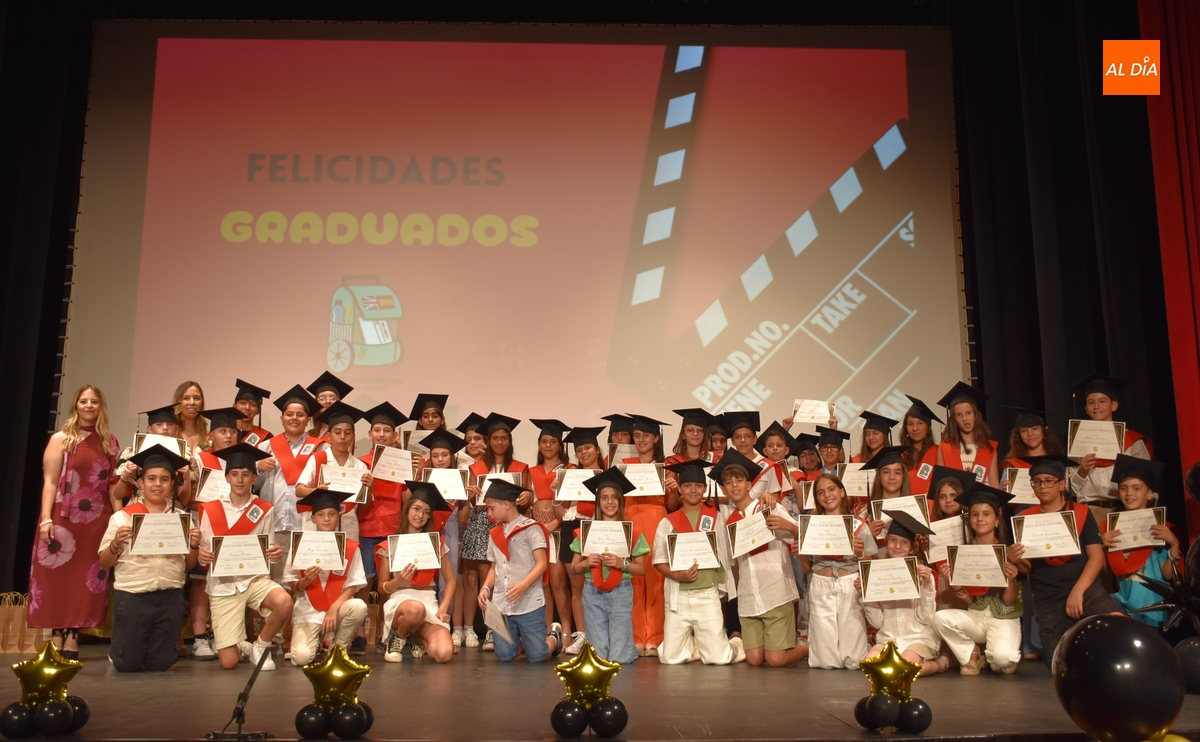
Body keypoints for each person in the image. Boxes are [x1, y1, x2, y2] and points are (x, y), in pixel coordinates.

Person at [30, 384, 120, 659]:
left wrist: (119, 517)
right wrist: (46, 519)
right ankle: (56, 631)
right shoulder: (61, 439)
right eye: (84, 401)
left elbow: (114, 485)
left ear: (100, 406)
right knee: (57, 577)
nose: (89, 405)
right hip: (63, 517)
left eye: (94, 401)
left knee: (86, 579)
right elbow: (49, 481)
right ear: (76, 405)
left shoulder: (109, 442)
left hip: (96, 521)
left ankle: (74, 634)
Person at [1008, 454, 1125, 665]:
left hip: (1085, 588)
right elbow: (1028, 568)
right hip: (1048, 596)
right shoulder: (1026, 519)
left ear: (1062, 484)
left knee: (1118, 625)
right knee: (1060, 661)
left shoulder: (1080, 512)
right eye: (1037, 481)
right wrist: (1016, 559)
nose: (1043, 486)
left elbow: (1096, 557)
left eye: (1049, 481)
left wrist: (1078, 591)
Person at [99, 445, 200, 672]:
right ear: (140, 483)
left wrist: (193, 544)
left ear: (172, 485)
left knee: (161, 664)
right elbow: (104, 562)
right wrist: (116, 543)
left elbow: (190, 564)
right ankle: (120, 653)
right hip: (133, 596)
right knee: (128, 665)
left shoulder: (181, 518)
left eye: (164, 479)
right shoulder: (123, 517)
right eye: (151, 478)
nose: (157, 484)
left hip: (170, 596)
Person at [198, 442, 292, 670]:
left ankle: (260, 644)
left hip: (253, 580)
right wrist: (203, 556)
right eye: (235, 474)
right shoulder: (210, 509)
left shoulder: (265, 509)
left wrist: (275, 554)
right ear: (227, 477)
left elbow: (268, 550)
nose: (240, 480)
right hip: (224, 584)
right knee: (228, 663)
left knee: (284, 602)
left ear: (253, 478)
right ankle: (242, 647)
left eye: (246, 474)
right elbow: (204, 551)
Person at [714, 450, 805, 667]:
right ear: (723, 489)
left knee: (775, 660)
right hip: (749, 595)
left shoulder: (768, 507)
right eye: (728, 482)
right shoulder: (728, 521)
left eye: (739, 480)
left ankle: (810, 647)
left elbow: (802, 536)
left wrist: (788, 525)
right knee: (754, 660)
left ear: (748, 484)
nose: (734, 485)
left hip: (775, 590)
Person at [654, 459, 743, 665]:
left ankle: (735, 642)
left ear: (704, 488)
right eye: (687, 485)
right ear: (680, 490)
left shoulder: (717, 517)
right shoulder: (667, 522)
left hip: (707, 594)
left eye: (698, 485)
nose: (693, 490)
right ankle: (696, 645)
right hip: (679, 595)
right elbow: (659, 560)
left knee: (719, 659)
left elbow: (743, 510)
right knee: (670, 659)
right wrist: (676, 575)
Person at [932, 482, 1022, 675]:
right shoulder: (964, 553)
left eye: (986, 514)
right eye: (975, 514)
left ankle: (997, 656)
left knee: (1002, 660)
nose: (980, 519)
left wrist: (1012, 579)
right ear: (970, 520)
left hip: (1003, 617)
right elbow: (970, 600)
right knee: (940, 618)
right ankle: (972, 655)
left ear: (997, 519)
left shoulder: (1008, 552)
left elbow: (1009, 600)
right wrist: (953, 583)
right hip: (977, 615)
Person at [569, 468, 651, 664]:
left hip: (621, 592)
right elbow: (574, 568)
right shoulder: (586, 531)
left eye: (614, 497)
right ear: (598, 502)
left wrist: (622, 564)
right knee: (599, 658)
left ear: (621, 501)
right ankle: (623, 647)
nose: (610, 502)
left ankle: (628, 649)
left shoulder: (632, 532)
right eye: (604, 498)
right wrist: (586, 563)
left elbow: (642, 569)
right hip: (592, 592)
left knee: (618, 659)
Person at [476, 480, 563, 662]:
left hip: (528, 602)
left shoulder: (531, 529)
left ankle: (554, 635)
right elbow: (494, 567)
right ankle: (523, 643)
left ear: (506, 504)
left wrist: (523, 586)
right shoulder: (494, 534)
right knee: (505, 656)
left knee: (538, 657)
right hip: (503, 603)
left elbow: (541, 564)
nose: (489, 513)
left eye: (491, 508)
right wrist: (485, 588)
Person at [467, 412, 531, 650]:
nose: (500, 442)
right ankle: (492, 629)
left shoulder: (520, 467)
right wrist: (471, 496)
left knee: (508, 577)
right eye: (495, 438)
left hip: (510, 526)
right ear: (488, 440)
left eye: (504, 438)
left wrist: (528, 496)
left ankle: (508, 626)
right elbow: (474, 503)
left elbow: (526, 501)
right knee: (490, 579)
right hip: (485, 523)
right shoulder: (477, 467)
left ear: (509, 441)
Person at [800, 472, 877, 669]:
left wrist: (860, 554)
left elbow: (870, 563)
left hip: (849, 584)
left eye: (832, 489)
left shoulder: (859, 526)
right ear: (816, 498)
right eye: (821, 492)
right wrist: (799, 555)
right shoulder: (811, 527)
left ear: (842, 492)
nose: (827, 495)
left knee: (854, 658)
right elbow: (807, 569)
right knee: (825, 660)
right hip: (821, 583)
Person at [284, 490, 368, 666]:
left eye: (331, 514)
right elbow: (293, 587)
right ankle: (317, 641)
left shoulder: (350, 547)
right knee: (301, 659)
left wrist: (334, 608)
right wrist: (305, 581)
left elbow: (353, 585)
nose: (327, 519)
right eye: (321, 515)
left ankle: (338, 647)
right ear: (313, 518)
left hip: (337, 608)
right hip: (309, 611)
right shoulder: (300, 545)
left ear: (339, 515)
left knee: (359, 606)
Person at [188, 406, 246, 660]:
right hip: (207, 525)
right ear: (211, 435)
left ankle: (224, 636)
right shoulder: (201, 459)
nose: (229, 435)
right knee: (202, 582)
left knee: (231, 582)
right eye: (223, 431)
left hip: (236, 529)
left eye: (233, 431)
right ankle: (200, 636)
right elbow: (189, 498)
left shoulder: (241, 461)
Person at [377, 482, 457, 663]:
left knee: (444, 653)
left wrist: (443, 609)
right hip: (401, 602)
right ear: (407, 509)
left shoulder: (436, 545)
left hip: (428, 601)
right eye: (416, 509)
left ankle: (416, 638)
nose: (420, 515)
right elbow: (382, 588)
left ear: (430, 516)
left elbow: (451, 581)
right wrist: (397, 581)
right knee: (415, 609)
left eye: (426, 512)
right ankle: (399, 636)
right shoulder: (389, 546)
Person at [861, 511, 946, 676]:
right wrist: (866, 595)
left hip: (918, 638)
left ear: (912, 548)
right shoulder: (879, 574)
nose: (897, 546)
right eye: (893, 540)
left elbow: (926, 618)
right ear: (886, 542)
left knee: (905, 668)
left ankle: (941, 664)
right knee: (869, 666)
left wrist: (927, 585)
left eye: (904, 542)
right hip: (889, 638)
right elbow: (878, 622)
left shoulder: (923, 574)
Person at [1100, 455, 1179, 628]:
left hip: (1154, 607)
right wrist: (1102, 548)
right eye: (1124, 488)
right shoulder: (1112, 527)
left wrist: (1174, 544)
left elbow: (1167, 574)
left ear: (1150, 494)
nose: (1129, 494)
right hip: (1123, 602)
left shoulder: (1159, 527)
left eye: (1137, 488)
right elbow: (1108, 571)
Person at [529, 418, 584, 653]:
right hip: (536, 530)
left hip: (559, 529)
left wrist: (554, 522)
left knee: (559, 582)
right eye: (544, 441)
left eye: (553, 441)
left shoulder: (570, 470)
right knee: (543, 584)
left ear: (560, 445)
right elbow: (527, 501)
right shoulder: (530, 471)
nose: (548, 446)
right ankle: (544, 631)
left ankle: (566, 631)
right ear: (539, 444)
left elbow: (570, 505)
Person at [621, 414, 674, 657]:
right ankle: (634, 635)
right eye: (638, 435)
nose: (641, 440)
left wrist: (672, 488)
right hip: (631, 520)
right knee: (632, 579)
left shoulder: (666, 467)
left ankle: (655, 636)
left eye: (646, 435)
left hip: (657, 521)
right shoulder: (624, 463)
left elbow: (672, 505)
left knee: (655, 579)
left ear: (656, 438)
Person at [1069, 374, 1153, 525]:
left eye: (1102, 401)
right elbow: (1070, 490)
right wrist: (1082, 471)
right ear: (1086, 409)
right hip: (1089, 511)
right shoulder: (1078, 442)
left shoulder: (1133, 442)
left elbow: (1146, 484)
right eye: (1091, 403)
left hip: (1124, 509)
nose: (1096, 407)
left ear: (1114, 405)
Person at [256, 385, 324, 535]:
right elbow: (253, 485)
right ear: (282, 418)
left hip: (307, 524)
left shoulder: (321, 448)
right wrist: (258, 468)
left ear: (308, 420)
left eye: (300, 415)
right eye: (289, 414)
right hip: (273, 524)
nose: (294, 418)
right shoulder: (265, 447)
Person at [296, 402, 367, 543]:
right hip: (317, 525)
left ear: (353, 436)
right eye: (337, 432)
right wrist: (317, 491)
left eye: (347, 433)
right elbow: (299, 490)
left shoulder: (360, 467)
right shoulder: (317, 459)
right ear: (328, 436)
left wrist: (368, 489)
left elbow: (363, 509)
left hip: (348, 525)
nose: (342, 437)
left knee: (347, 562)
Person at [454, 411, 490, 649]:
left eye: (478, 438)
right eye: (468, 439)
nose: (473, 443)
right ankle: (464, 629)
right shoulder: (456, 466)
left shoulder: (494, 466)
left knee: (489, 579)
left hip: (492, 523)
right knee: (466, 578)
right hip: (464, 524)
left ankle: (490, 629)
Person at [112, 404, 190, 506]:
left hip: (170, 510)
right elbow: (118, 495)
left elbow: (184, 501)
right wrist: (126, 475)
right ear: (149, 429)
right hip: (138, 508)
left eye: (170, 424)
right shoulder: (131, 452)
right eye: (159, 424)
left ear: (176, 429)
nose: (165, 428)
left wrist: (187, 478)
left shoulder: (184, 454)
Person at [936, 382, 999, 487]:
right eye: (959, 415)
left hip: (982, 499)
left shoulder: (989, 447)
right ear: (954, 420)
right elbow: (941, 485)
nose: (964, 419)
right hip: (955, 501)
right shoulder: (945, 446)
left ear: (975, 415)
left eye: (968, 413)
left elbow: (994, 485)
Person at [862, 446, 914, 544]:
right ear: (879, 476)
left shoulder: (915, 509)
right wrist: (869, 535)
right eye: (886, 472)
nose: (892, 477)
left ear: (903, 477)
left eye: (897, 473)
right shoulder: (866, 514)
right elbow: (858, 553)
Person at [900, 396, 942, 495]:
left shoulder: (938, 453)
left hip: (931, 506)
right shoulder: (900, 455)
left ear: (928, 426)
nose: (915, 428)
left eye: (920, 423)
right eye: (910, 424)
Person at [306, 372, 353, 440]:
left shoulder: (345, 434)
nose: (328, 401)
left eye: (332, 398)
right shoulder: (309, 435)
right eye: (322, 398)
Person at [232, 379, 273, 447]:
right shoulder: (225, 435)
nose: (247, 407)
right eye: (243, 403)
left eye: (253, 405)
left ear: (258, 411)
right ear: (234, 406)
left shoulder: (266, 438)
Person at [173, 381, 208, 453]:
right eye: (186, 398)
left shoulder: (208, 437)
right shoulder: (171, 435)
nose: (192, 402)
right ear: (178, 402)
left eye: (196, 398)